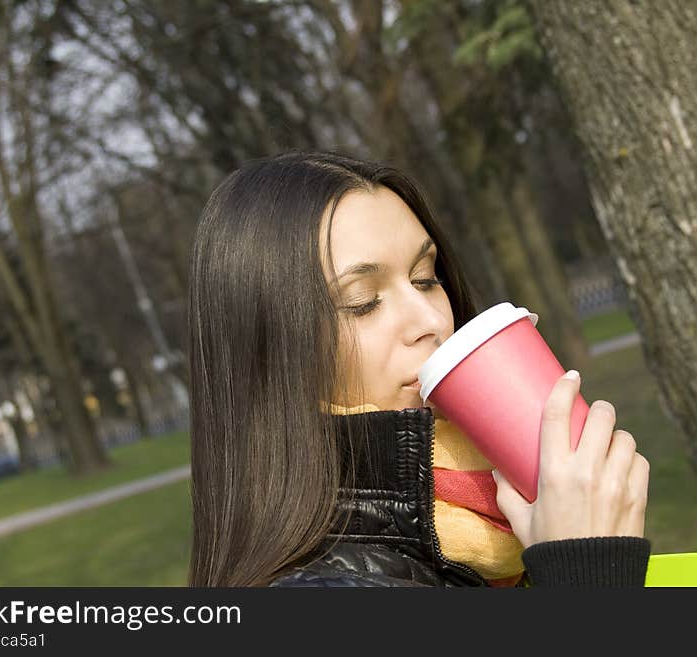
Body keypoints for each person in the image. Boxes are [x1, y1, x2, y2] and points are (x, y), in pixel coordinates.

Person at [186, 149, 651, 587]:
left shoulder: (492, 539)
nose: (432, 321)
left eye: (425, 278)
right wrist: (589, 570)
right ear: (269, 359)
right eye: (363, 303)